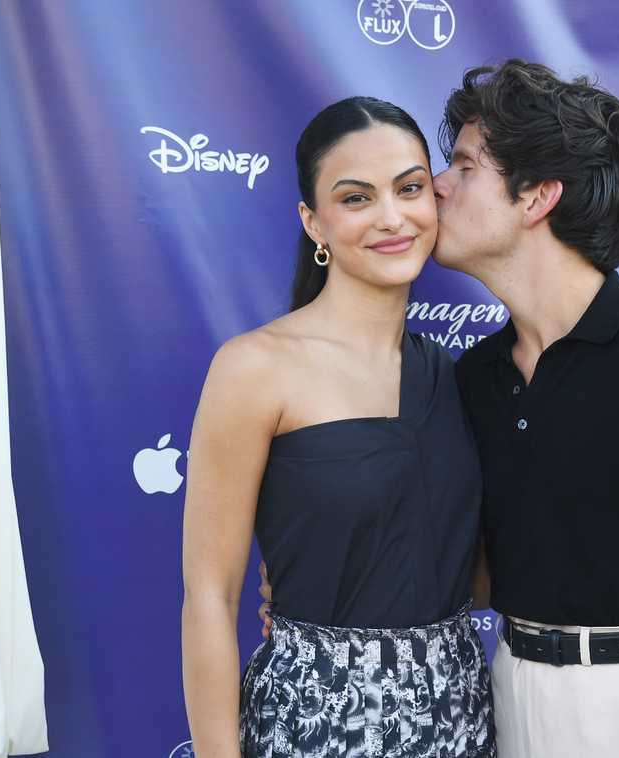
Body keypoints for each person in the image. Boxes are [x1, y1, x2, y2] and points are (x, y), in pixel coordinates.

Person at [258, 60, 619, 758]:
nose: (436, 188)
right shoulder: (476, 375)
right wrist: (324, 571)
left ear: (538, 195)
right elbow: (476, 571)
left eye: (463, 166)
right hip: (507, 695)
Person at [182, 97, 495, 758]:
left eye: (410, 189)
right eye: (356, 199)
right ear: (313, 222)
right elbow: (209, 596)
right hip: (314, 727)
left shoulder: (454, 376)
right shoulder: (254, 369)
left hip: (461, 721)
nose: (391, 217)